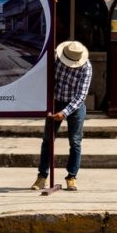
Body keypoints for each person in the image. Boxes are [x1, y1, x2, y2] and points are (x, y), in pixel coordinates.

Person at [35, 41, 91, 191]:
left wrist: (64, 112)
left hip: (75, 107)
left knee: (75, 142)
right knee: (47, 140)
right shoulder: (56, 59)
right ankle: (42, 176)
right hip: (55, 102)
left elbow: (81, 96)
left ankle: (71, 177)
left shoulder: (86, 68)